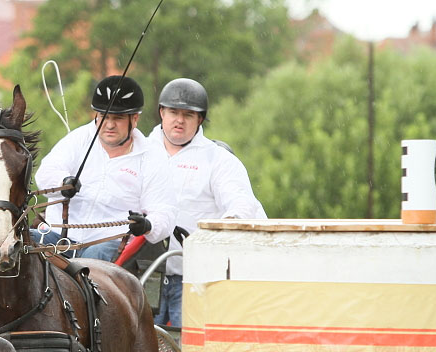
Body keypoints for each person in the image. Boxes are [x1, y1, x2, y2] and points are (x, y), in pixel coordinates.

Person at [134, 77, 267, 326]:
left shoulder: (218, 160)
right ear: (161, 112)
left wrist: (227, 223)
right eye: (173, 112)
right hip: (141, 275)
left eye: (188, 114)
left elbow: (241, 203)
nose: (179, 120)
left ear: (200, 119)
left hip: (194, 280)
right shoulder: (137, 152)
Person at [33, 75, 175, 261]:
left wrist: (148, 225)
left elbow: (164, 212)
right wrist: (63, 182)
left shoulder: (152, 158)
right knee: (20, 242)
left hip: (109, 243)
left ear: (134, 119)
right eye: (104, 117)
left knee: (93, 257)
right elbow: (45, 173)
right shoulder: (78, 139)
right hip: (59, 237)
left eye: (117, 118)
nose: (109, 125)